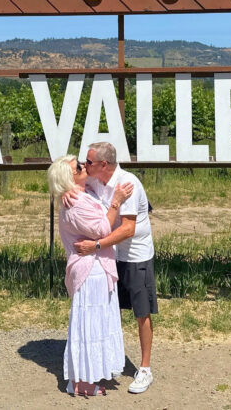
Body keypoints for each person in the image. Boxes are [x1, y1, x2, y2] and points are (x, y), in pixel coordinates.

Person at [71, 141, 157, 394]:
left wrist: (96, 245)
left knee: (141, 312)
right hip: (111, 257)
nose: (84, 166)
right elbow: (72, 184)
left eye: (88, 162)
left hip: (135, 255)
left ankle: (145, 369)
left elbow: (128, 229)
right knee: (112, 310)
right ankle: (110, 361)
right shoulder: (95, 180)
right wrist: (65, 192)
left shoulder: (126, 184)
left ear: (103, 164)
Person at [47, 154, 134, 397]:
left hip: (97, 266)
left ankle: (91, 373)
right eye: (78, 166)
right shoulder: (75, 204)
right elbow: (103, 229)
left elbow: (99, 179)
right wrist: (116, 202)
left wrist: (66, 188)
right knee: (89, 324)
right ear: (70, 177)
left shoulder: (84, 193)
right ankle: (80, 382)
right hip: (90, 269)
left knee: (98, 322)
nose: (84, 166)